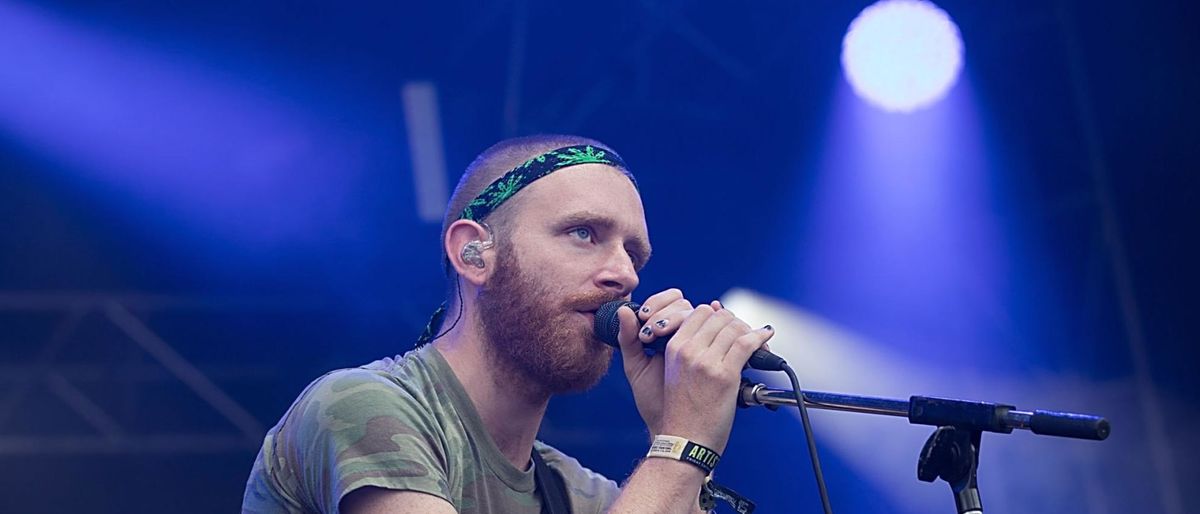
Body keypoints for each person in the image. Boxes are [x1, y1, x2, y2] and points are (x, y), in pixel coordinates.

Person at [242, 135, 775, 513]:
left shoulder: (579, 494)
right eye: (584, 233)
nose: (623, 274)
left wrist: (669, 433)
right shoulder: (359, 406)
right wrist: (683, 444)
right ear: (474, 254)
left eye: (634, 253)